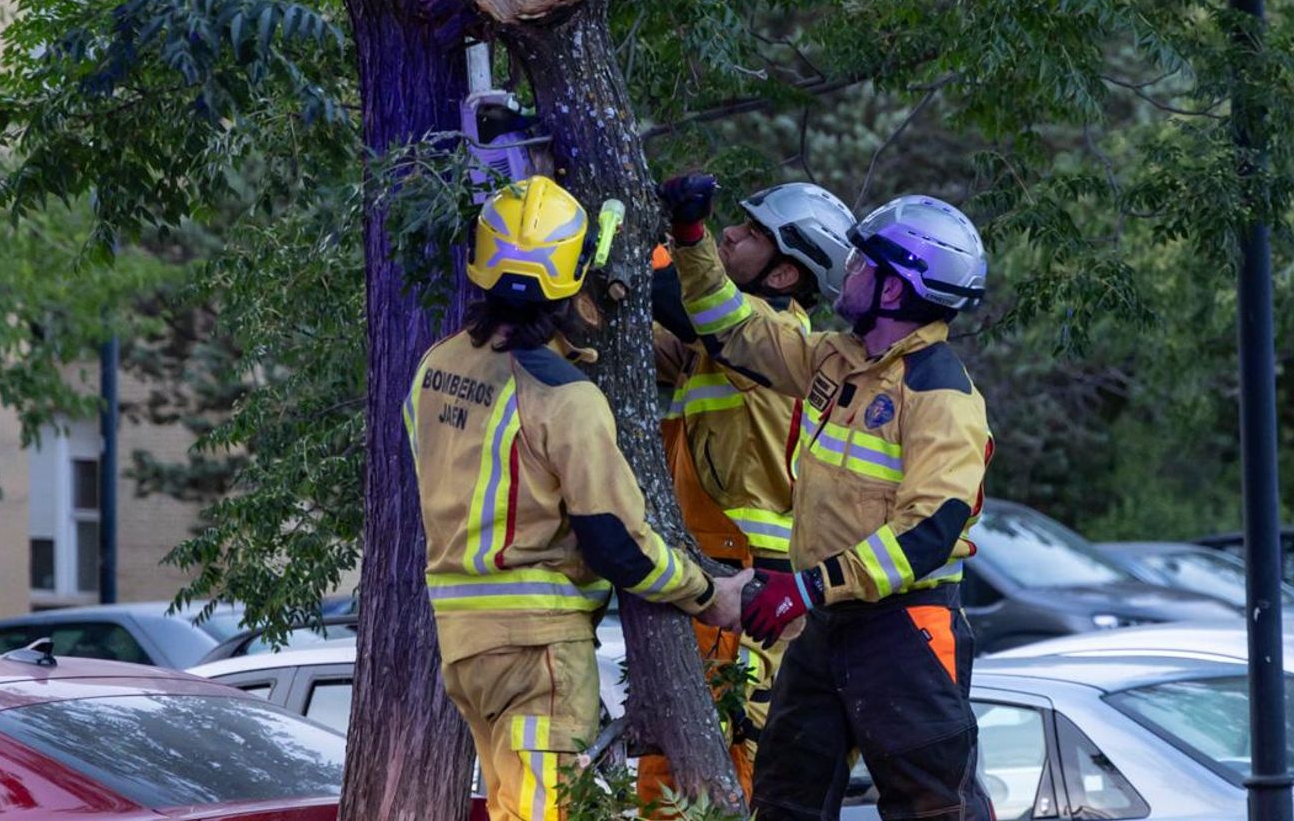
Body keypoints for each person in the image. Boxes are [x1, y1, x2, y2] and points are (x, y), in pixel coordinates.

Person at [406, 175, 753, 821]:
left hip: (462, 647)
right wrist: (710, 592)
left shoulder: (437, 368)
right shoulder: (569, 400)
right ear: (571, 282)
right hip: (539, 650)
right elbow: (619, 544)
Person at [662, 174, 995, 820]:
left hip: (907, 631)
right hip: (827, 628)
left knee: (933, 808)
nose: (847, 273)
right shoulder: (834, 360)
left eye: (862, 263)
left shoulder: (941, 396)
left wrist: (808, 587)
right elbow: (728, 328)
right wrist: (691, 237)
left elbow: (927, 534)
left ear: (895, 286)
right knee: (785, 801)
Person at [638, 182, 855, 807]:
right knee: (674, 773)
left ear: (785, 273)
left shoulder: (767, 333)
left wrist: (671, 239)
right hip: (707, 580)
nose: (731, 234)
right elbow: (628, 337)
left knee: (720, 777)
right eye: (737, 225)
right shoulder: (718, 344)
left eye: (753, 234)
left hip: (745, 594)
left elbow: (671, 298)